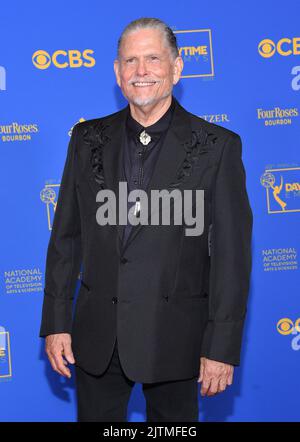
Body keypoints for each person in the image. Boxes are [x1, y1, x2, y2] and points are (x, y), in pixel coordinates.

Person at [39, 17, 253, 422]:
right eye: (130, 61)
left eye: (152, 59)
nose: (141, 72)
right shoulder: (86, 140)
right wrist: (55, 322)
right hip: (97, 338)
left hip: (177, 338)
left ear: (176, 67)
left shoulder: (217, 147)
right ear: (117, 72)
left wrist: (221, 347)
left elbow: (231, 258)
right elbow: (66, 237)